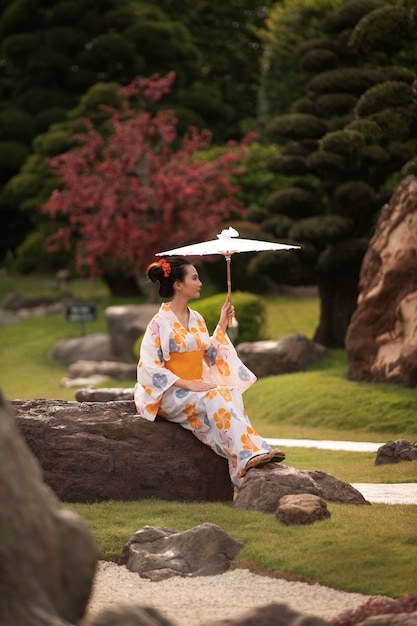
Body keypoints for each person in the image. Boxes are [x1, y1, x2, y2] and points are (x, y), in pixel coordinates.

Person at [134, 256, 285, 489]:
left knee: (230, 392)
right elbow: (149, 367)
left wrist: (222, 323)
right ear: (178, 284)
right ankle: (252, 452)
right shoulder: (159, 323)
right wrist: (188, 384)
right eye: (194, 278)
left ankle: (244, 464)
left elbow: (209, 354)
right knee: (217, 395)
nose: (200, 282)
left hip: (195, 389)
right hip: (169, 393)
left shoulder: (197, 318)